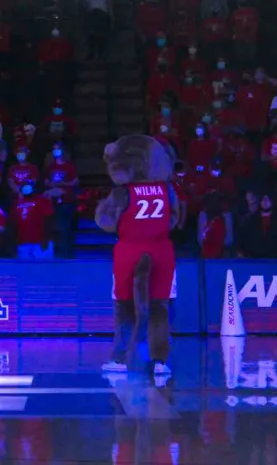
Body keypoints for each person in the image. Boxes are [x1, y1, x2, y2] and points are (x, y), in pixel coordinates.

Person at [95, 136, 180, 379]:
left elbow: (106, 222)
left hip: (130, 250)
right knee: (159, 308)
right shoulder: (167, 189)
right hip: (161, 249)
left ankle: (120, 358)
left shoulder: (123, 191)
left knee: (124, 306)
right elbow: (174, 218)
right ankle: (161, 361)